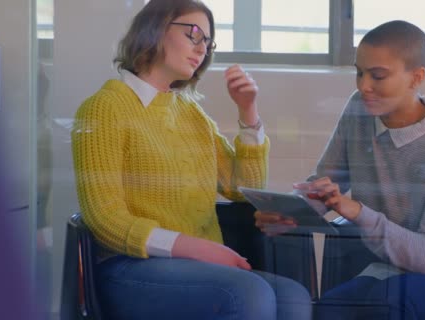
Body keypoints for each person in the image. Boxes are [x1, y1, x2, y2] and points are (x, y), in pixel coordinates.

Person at [71, 1, 311, 319]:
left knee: (294, 296)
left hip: (198, 266)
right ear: (154, 29)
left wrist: (248, 112)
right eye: (194, 34)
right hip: (130, 266)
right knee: (248, 293)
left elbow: (245, 188)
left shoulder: (191, 113)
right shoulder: (104, 108)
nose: (202, 49)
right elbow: (104, 219)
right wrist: (196, 248)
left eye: (208, 42)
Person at [254, 20, 425, 319]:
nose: (364, 86)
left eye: (378, 75)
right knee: (327, 310)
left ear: (417, 78)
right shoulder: (359, 109)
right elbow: (325, 185)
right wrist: (289, 213)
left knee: (385, 306)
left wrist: (357, 211)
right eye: (359, 72)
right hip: (385, 269)